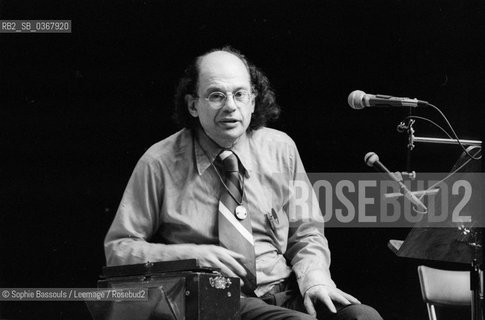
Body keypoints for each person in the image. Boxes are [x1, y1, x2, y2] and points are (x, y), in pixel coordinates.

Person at [104, 46, 383, 320]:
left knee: (363, 316)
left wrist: (315, 280)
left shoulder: (280, 148)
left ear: (252, 100)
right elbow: (119, 250)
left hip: (284, 288)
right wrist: (191, 255)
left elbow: (307, 233)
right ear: (192, 104)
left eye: (240, 94)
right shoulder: (159, 161)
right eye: (216, 96)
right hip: (214, 299)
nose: (230, 106)